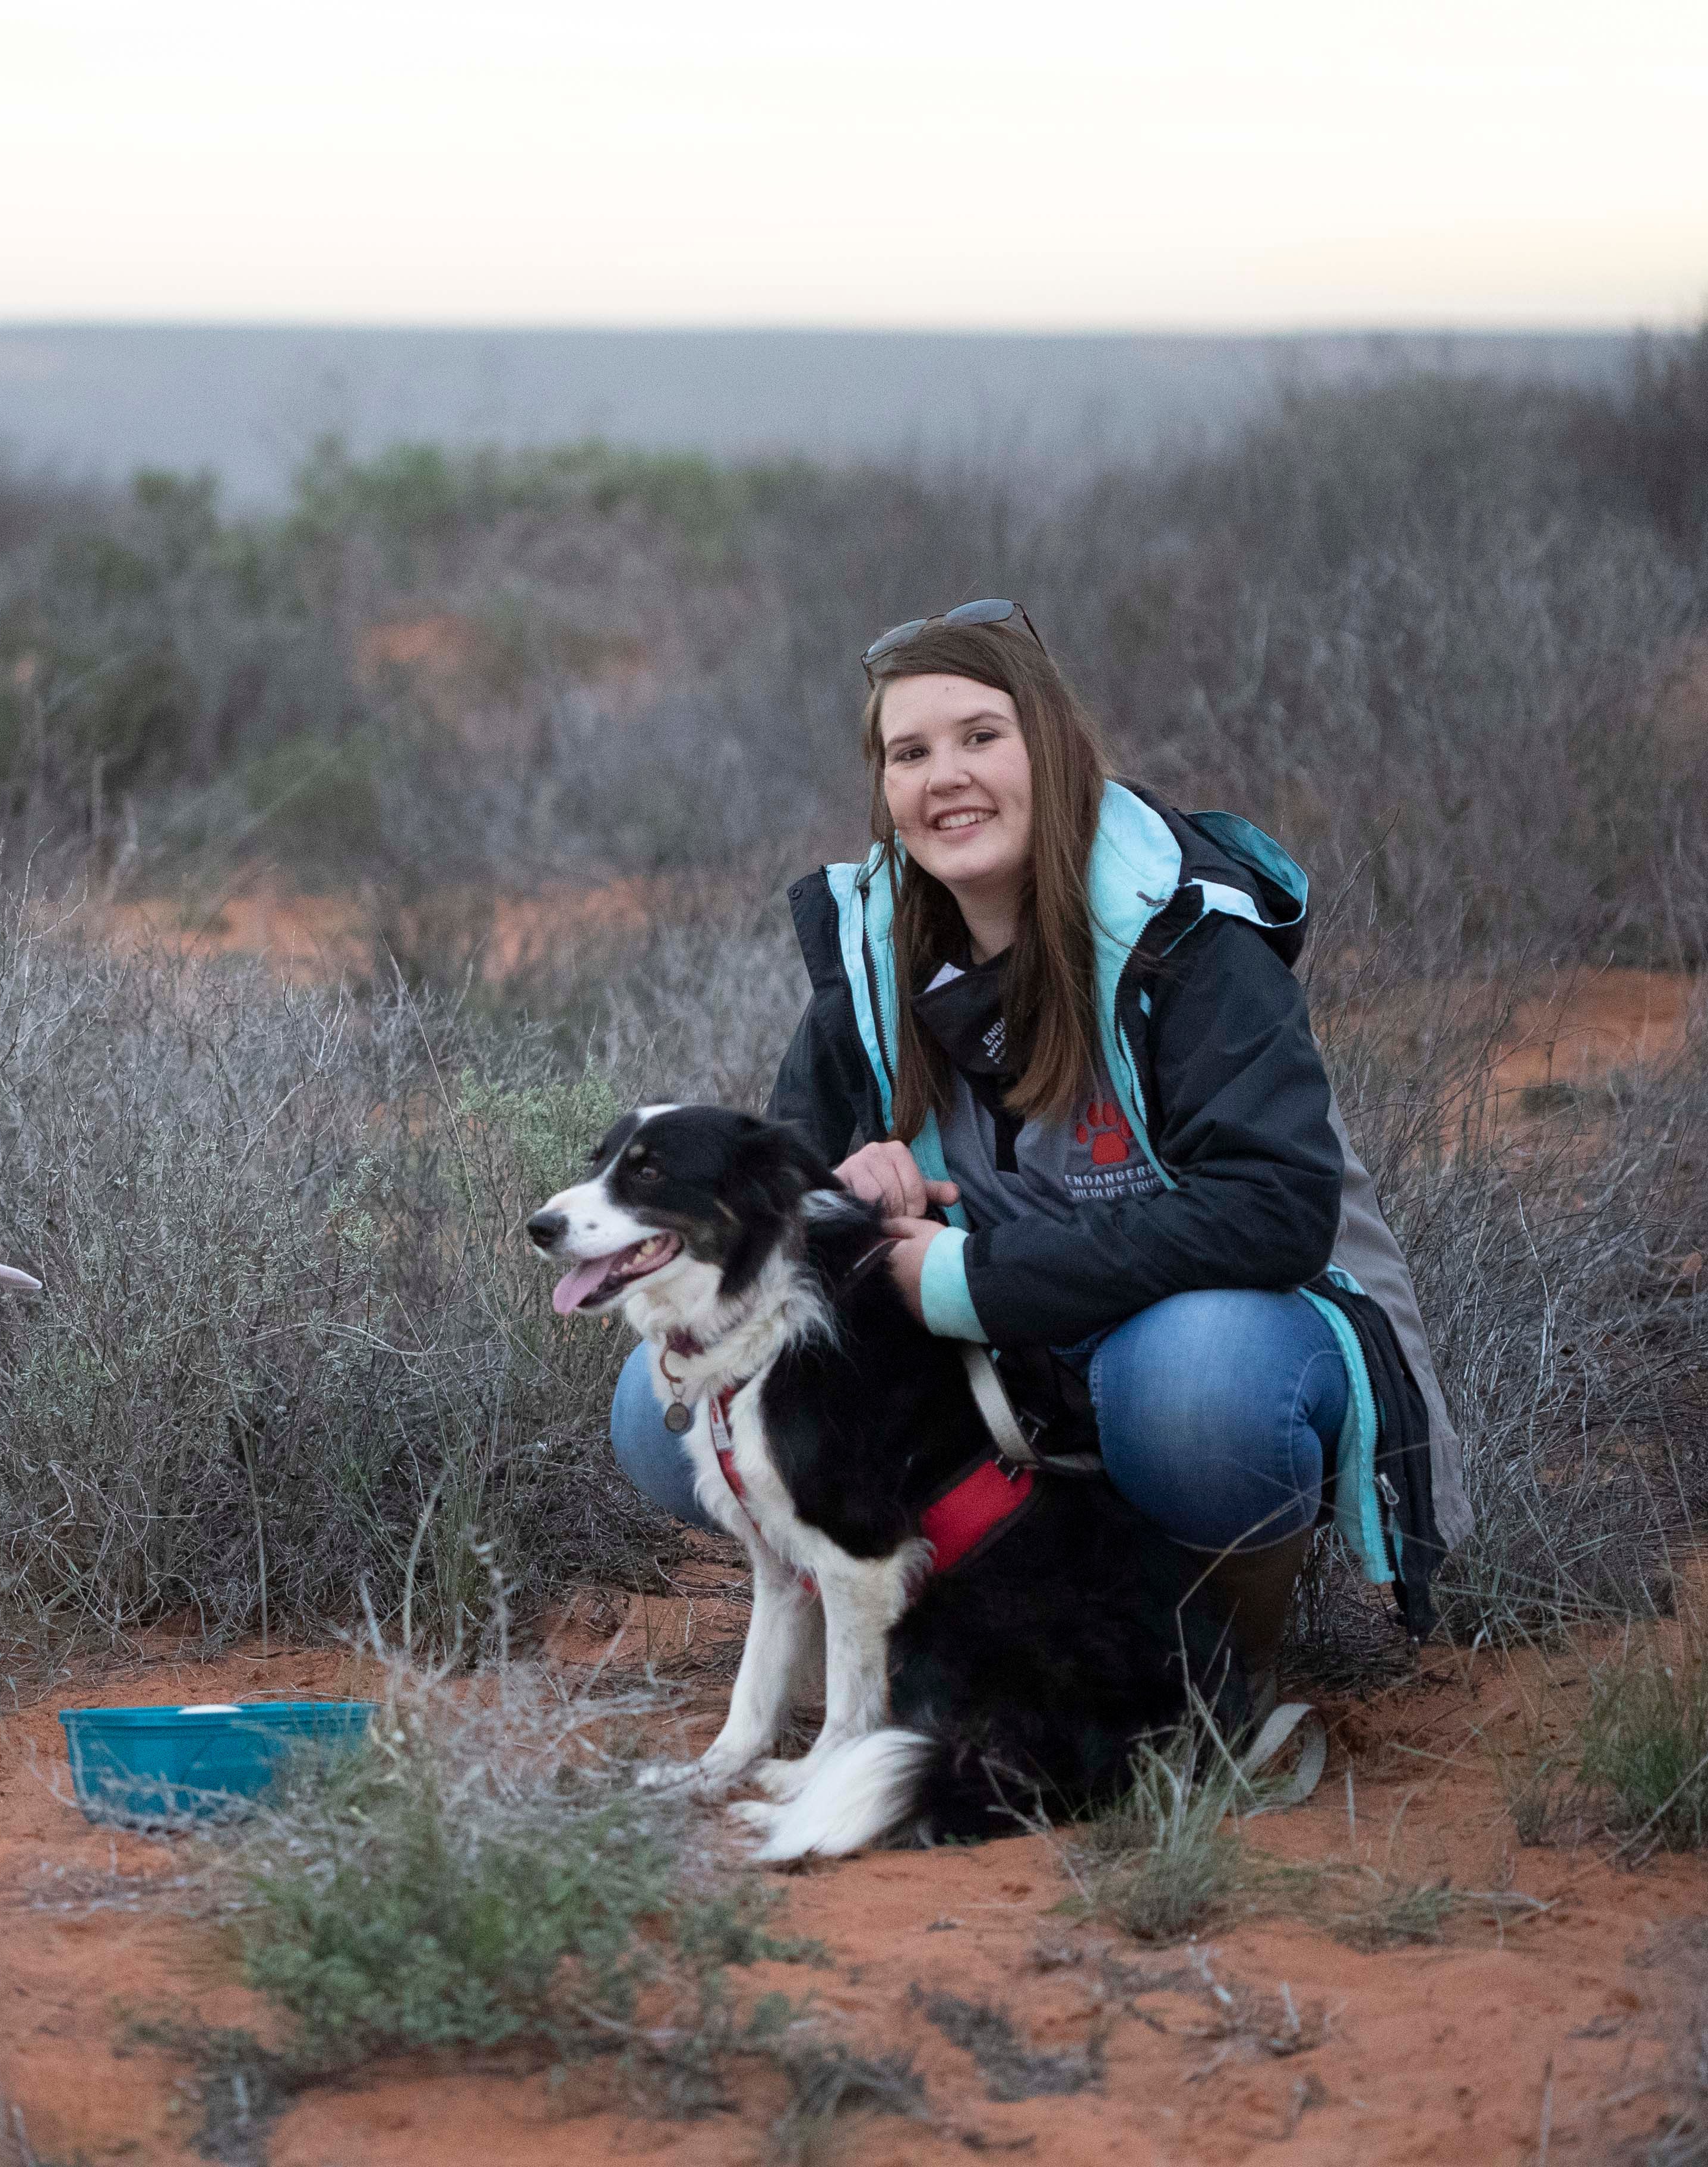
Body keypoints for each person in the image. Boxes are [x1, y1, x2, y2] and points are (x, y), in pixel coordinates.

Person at [608, 599, 1467, 1704]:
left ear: (1055, 752)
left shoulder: (1188, 936)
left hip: (1202, 1330)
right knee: (657, 1400)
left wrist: (967, 1276)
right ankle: (910, 1619)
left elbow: (1275, 1210)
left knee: (1194, 1389)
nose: (944, 777)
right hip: (994, 1376)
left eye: (981, 737)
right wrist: (847, 1199)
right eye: (908, 754)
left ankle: (1209, 1667)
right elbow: (777, 1224)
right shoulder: (872, 967)